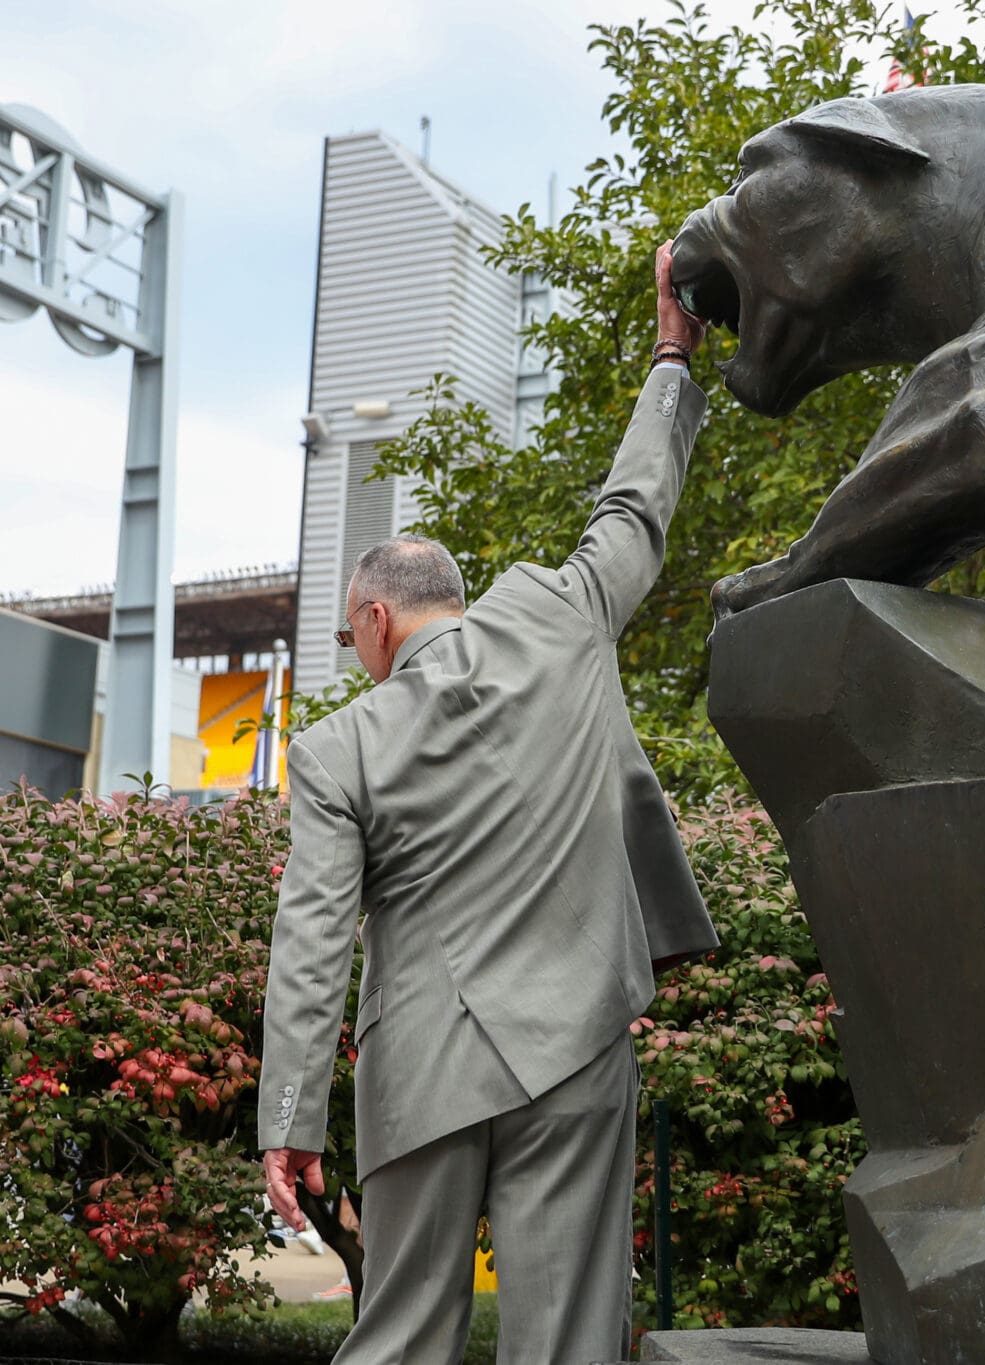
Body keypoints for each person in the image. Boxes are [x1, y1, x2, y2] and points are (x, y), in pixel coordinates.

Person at [258, 246, 717, 1365]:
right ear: (452, 599)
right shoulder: (563, 615)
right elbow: (637, 502)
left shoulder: (336, 749)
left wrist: (288, 1124)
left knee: (401, 1336)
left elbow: (314, 942)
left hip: (421, 1070)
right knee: (565, 1341)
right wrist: (671, 351)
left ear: (373, 621)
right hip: (575, 1047)